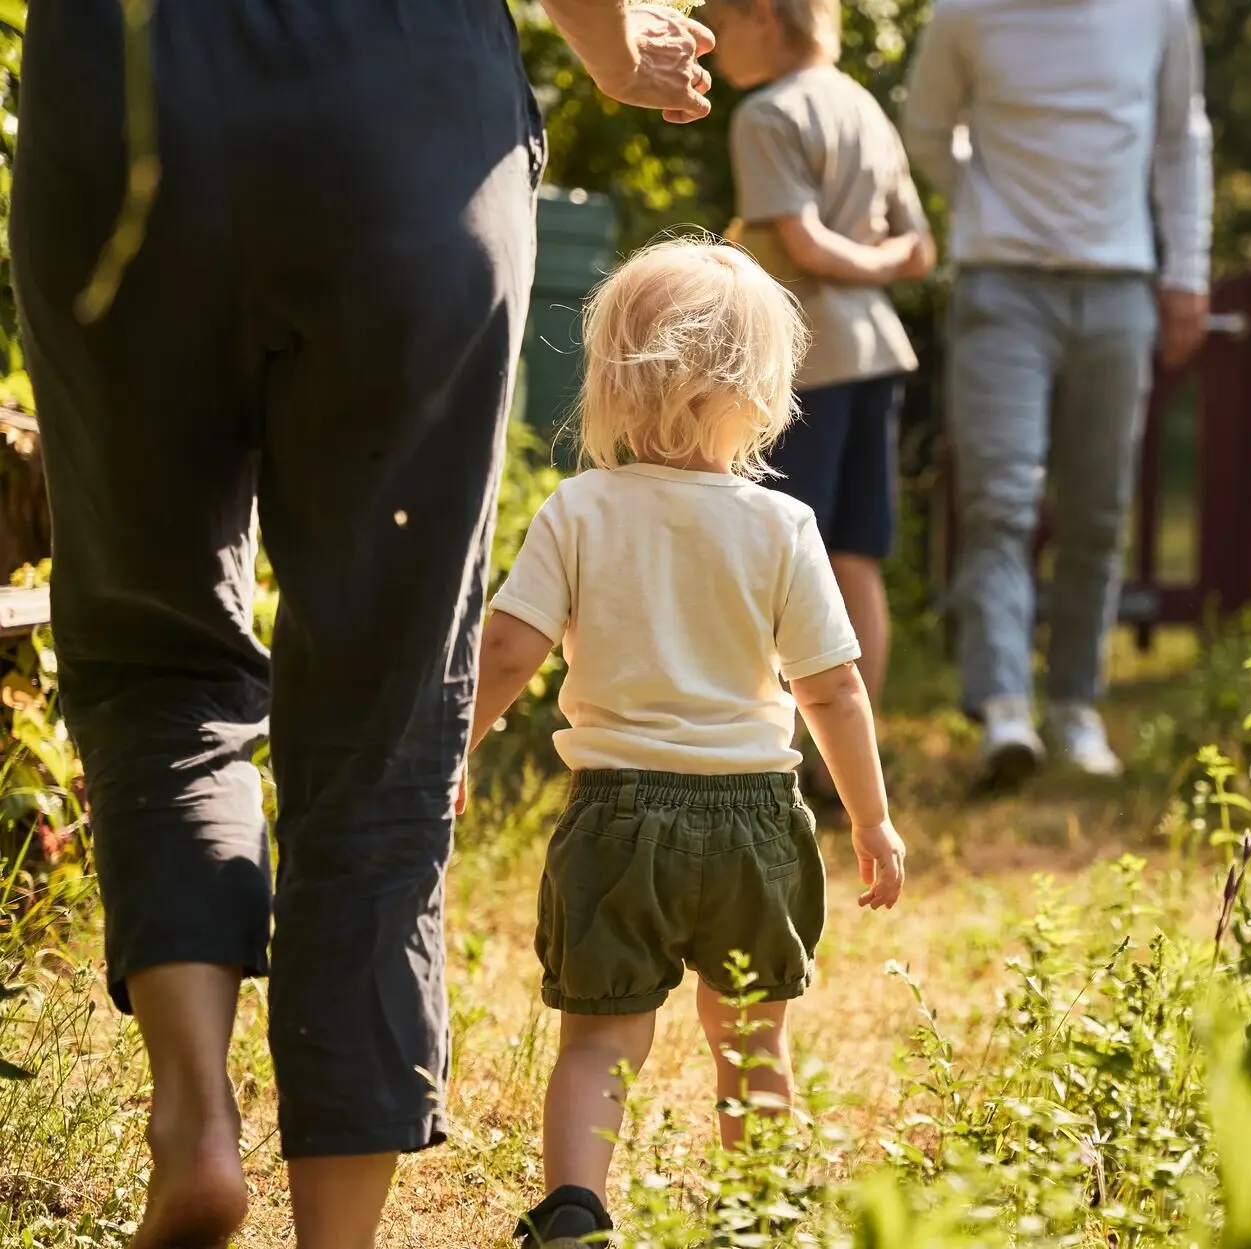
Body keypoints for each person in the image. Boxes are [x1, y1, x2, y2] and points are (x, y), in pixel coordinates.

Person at [10, 2, 715, 1245]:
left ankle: (194, 1116)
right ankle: (334, 1237)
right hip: (406, 113)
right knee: (386, 706)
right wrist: (605, 43)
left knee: (152, 648)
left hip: (126, 102)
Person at [466, 239, 908, 1246]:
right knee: (752, 1039)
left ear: (613, 379)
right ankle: (756, 1213)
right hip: (754, 817)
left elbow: (506, 647)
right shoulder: (782, 526)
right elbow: (832, 689)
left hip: (617, 814)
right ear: (764, 391)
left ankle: (575, 1211)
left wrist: (453, 750)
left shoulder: (578, 508)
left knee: (599, 1036)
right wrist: (872, 819)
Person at [902, 0, 1214, 787]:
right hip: (1001, 290)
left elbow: (1182, 140)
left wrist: (1187, 274)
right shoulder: (965, 13)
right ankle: (1005, 710)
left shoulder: (1158, 12)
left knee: (1098, 509)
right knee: (1000, 504)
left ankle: (1075, 707)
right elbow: (928, 131)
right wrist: (984, 208)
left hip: (1120, 290)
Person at [708, 0, 935, 739]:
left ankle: (770, 744)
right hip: (877, 352)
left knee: (776, 551)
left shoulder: (767, 114)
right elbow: (920, 249)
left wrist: (852, 265)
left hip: (804, 363)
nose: (710, 42)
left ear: (765, 15)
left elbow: (803, 246)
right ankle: (852, 749)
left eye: (718, 17)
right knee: (854, 551)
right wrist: (878, 268)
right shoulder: (864, 107)